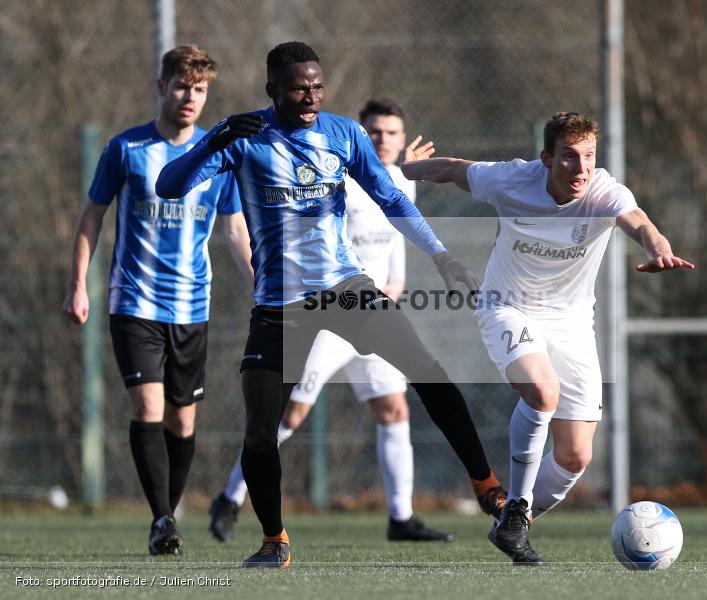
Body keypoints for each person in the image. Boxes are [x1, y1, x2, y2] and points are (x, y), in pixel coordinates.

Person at [156, 41, 506, 568]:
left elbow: (391, 198)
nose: (311, 96)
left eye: (317, 87)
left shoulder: (344, 134)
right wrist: (214, 139)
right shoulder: (243, 138)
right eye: (299, 88)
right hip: (279, 304)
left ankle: (488, 487)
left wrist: (441, 256)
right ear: (272, 89)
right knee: (262, 428)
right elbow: (168, 186)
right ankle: (274, 540)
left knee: (427, 371)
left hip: (346, 289)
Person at [401, 111, 695, 565]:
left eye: (589, 156)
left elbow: (638, 221)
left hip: (572, 323)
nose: (581, 168)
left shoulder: (604, 191)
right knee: (542, 391)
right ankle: (515, 508)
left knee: (575, 456)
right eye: (569, 156)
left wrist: (659, 247)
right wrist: (407, 170)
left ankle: (512, 525)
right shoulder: (512, 180)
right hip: (507, 307)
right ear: (546, 159)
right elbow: (457, 170)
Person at [208, 99, 450, 544]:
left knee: (394, 409)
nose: (382, 139)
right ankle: (229, 498)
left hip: (372, 314)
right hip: (326, 313)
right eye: (374, 131)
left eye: (391, 132)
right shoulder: (337, 175)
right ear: (360, 135)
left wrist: (394, 285)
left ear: (402, 138)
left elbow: (396, 243)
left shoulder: (400, 182)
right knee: (289, 413)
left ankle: (401, 518)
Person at [62, 45, 255, 556]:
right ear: (161, 87)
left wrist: (260, 284)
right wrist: (78, 283)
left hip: (192, 306)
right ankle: (163, 519)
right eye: (181, 86)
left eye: (200, 89)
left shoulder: (218, 157)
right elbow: (92, 216)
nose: (190, 97)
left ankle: (166, 514)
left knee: (182, 421)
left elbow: (235, 229)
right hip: (135, 301)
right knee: (147, 404)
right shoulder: (126, 149)